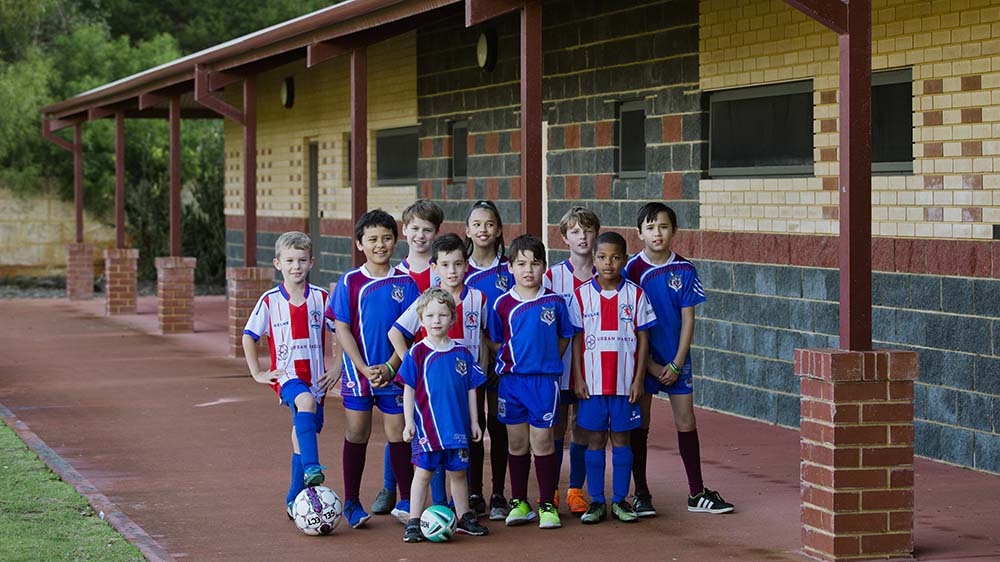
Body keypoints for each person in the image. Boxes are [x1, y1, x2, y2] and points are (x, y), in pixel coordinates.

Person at [624, 202, 734, 516]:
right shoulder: (631, 270)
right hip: (643, 361)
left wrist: (676, 362)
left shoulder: (685, 269)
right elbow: (628, 323)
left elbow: (688, 320)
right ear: (639, 233)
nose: (657, 233)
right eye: (650, 227)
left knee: (686, 421)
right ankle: (641, 493)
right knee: (640, 424)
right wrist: (651, 366)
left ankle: (696, 492)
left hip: (676, 359)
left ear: (674, 231)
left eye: (663, 226)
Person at [331, 209, 421, 528]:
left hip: (395, 374)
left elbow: (408, 332)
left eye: (385, 238)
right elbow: (342, 328)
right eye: (372, 239)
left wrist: (390, 365)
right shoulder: (350, 282)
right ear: (360, 244)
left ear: (396, 241)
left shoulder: (406, 284)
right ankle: (352, 502)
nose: (379, 245)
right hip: (359, 375)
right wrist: (363, 367)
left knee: (398, 434)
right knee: (358, 433)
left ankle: (409, 500)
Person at [389, 233, 488, 514]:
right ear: (435, 267)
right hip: (432, 390)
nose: (452, 271)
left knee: (464, 449)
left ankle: (470, 503)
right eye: (445, 265)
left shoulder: (478, 299)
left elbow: (484, 337)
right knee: (429, 457)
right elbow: (396, 331)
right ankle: (435, 509)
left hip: (464, 379)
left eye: (457, 264)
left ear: (466, 265)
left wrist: (482, 366)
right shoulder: (427, 301)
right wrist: (416, 365)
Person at [242, 232, 338, 518]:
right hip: (287, 377)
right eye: (289, 261)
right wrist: (257, 371)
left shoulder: (321, 297)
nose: (295, 266)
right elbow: (249, 336)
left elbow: (340, 332)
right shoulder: (270, 300)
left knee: (302, 433)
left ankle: (294, 496)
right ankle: (312, 468)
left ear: (311, 262)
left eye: (301, 260)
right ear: (277, 264)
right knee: (305, 402)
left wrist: (338, 367)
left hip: (317, 377)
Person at [488, 235, 575, 529]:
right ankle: (520, 501)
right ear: (510, 267)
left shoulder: (555, 302)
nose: (528, 270)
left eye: (535, 264)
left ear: (544, 267)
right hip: (512, 383)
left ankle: (547, 504)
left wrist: (549, 360)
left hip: (543, 383)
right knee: (516, 443)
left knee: (543, 442)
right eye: (521, 263)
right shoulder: (502, 304)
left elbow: (564, 336)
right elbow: (496, 341)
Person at [569, 232, 656, 524]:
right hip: (592, 384)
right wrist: (578, 378)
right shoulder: (581, 295)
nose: (609, 263)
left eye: (616, 257)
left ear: (625, 260)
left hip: (624, 383)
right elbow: (577, 341)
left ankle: (620, 499)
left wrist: (638, 379)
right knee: (594, 440)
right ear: (594, 259)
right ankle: (596, 500)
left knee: (621, 439)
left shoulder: (636, 294)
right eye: (603, 257)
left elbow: (643, 339)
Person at [398, 288, 490, 542]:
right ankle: (414, 521)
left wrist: (474, 421)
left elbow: (472, 389)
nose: (436, 321)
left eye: (442, 315)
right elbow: (408, 390)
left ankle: (464, 517)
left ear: (453, 318)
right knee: (423, 474)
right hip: (427, 428)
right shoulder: (416, 353)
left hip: (456, 428)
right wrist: (408, 423)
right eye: (430, 315)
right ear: (421, 318)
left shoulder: (462, 353)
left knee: (459, 474)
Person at [373, 200, 446, 516]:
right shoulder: (395, 272)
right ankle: (392, 488)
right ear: (405, 230)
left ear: (436, 233)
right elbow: (393, 326)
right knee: (402, 427)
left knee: (439, 426)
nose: (420, 235)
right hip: (404, 363)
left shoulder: (441, 272)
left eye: (427, 230)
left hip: (437, 363)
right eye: (414, 228)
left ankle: (442, 500)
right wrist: (399, 363)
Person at [544, 206, 599, 515]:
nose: (583, 237)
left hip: (594, 368)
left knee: (583, 428)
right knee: (556, 428)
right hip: (560, 367)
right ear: (564, 236)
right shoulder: (552, 276)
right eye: (576, 231)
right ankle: (551, 489)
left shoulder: (605, 272)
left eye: (588, 230)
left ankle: (576, 490)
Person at [463, 200, 514, 520]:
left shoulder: (509, 267)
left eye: (490, 224)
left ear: (498, 231)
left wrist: (500, 349)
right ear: (467, 231)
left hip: (502, 362)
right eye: (477, 224)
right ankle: (472, 491)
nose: (483, 229)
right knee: (472, 425)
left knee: (498, 423)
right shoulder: (456, 267)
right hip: (465, 362)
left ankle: (497, 493)